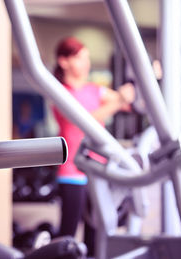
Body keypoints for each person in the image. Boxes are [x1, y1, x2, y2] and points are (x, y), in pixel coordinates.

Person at [53, 36, 135, 255]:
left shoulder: (94, 90)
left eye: (87, 58)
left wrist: (145, 79)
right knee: (68, 233)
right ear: (64, 61)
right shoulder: (60, 91)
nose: (87, 63)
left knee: (95, 232)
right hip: (71, 169)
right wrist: (117, 101)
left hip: (97, 168)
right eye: (80, 58)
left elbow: (127, 101)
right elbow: (83, 120)